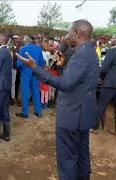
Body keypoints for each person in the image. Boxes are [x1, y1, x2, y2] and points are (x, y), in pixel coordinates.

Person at [16, 19, 99, 180]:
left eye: (68, 32)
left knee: (67, 160)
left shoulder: (82, 55)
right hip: (82, 114)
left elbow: (65, 84)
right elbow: (76, 81)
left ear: (77, 33)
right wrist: (61, 66)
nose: (66, 37)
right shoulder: (88, 52)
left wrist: (35, 68)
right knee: (81, 156)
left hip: (72, 116)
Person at [91, 36, 116, 134]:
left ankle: (95, 128)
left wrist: (101, 78)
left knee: (101, 105)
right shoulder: (105, 49)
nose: (112, 39)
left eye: (114, 38)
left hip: (110, 82)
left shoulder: (111, 51)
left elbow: (104, 68)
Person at [16, 35, 44, 118]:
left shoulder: (23, 49)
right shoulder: (38, 48)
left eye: (24, 39)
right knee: (35, 91)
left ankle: (25, 112)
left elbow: (19, 64)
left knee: (25, 92)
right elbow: (41, 61)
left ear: (26, 40)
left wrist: (20, 68)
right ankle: (38, 111)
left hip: (25, 72)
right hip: (35, 72)